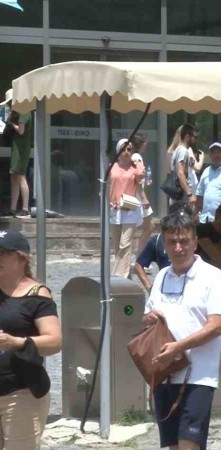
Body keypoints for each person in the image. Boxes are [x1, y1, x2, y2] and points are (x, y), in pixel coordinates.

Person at [143, 210, 221, 450]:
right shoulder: (161, 276)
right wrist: (149, 318)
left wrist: (178, 347)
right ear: (164, 244)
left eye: (184, 241)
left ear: (195, 242)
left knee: (189, 444)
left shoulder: (212, 277)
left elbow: (216, 326)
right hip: (165, 374)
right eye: (172, 242)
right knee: (173, 445)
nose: (178, 248)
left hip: (198, 376)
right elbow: (146, 318)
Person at [0, 230, 61, 449]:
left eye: (2, 252)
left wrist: (17, 342)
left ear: (21, 258)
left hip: (20, 392)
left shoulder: (37, 294)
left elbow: (54, 342)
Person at [134, 202, 192, 293]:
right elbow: (138, 265)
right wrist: (150, 288)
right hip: (167, 289)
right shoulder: (157, 240)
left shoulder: (196, 240)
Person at [109, 138, 145, 278]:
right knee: (117, 246)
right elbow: (107, 185)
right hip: (115, 209)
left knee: (125, 243)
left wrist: (138, 162)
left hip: (130, 209)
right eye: (123, 149)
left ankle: (118, 276)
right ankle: (126, 275)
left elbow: (141, 177)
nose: (126, 152)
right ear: (118, 150)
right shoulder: (112, 166)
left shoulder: (134, 167)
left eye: (129, 149)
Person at [129, 133, 154, 264]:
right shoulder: (137, 157)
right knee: (147, 227)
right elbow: (137, 180)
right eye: (145, 142)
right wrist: (144, 198)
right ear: (142, 144)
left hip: (136, 196)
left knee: (148, 226)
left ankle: (137, 256)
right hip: (138, 198)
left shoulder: (133, 157)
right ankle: (138, 257)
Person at [5, 97, 32, 217]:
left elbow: (21, 131)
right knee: (14, 176)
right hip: (17, 148)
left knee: (21, 176)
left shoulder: (24, 112)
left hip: (21, 149)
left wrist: (11, 123)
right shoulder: (22, 112)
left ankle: (25, 208)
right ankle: (13, 207)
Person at [167, 124, 199, 207]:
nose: (196, 140)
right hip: (181, 197)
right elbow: (180, 173)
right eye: (195, 137)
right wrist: (189, 194)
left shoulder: (177, 150)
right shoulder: (183, 151)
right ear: (187, 136)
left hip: (177, 195)